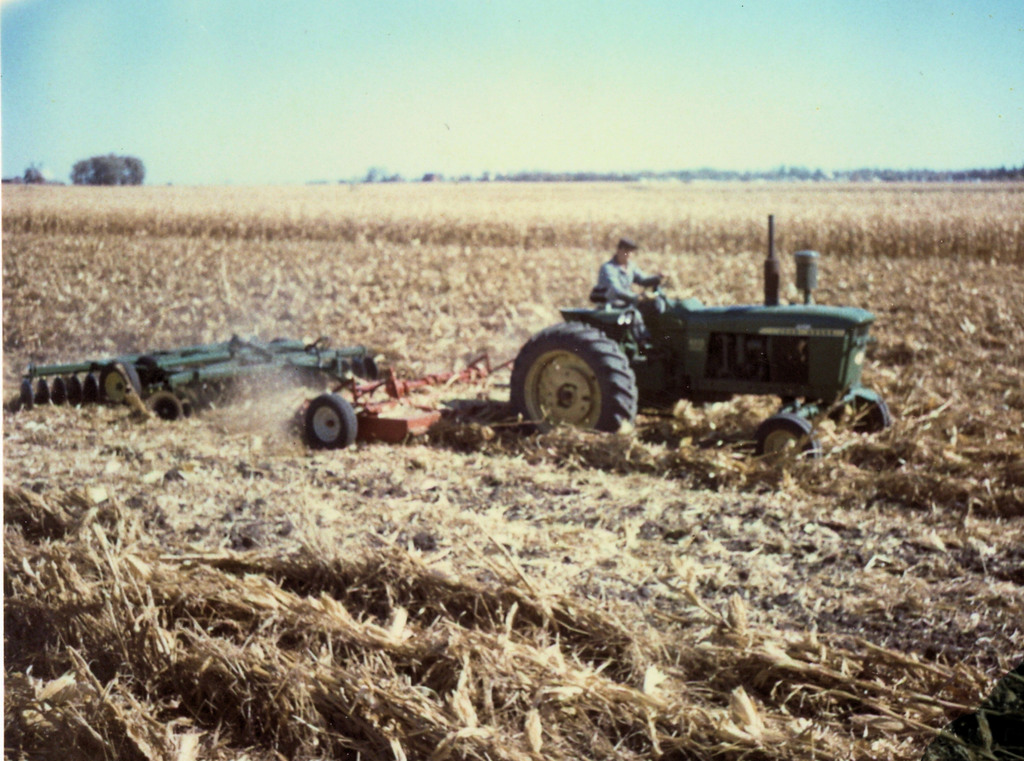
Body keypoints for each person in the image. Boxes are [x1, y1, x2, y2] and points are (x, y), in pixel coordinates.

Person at [592, 238, 663, 306]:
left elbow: (643, 280)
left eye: (631, 251)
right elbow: (616, 290)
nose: (628, 254)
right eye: (626, 251)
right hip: (612, 305)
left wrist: (658, 278)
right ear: (618, 250)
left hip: (627, 303)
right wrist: (637, 297)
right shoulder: (608, 268)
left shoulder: (631, 266)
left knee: (657, 305)